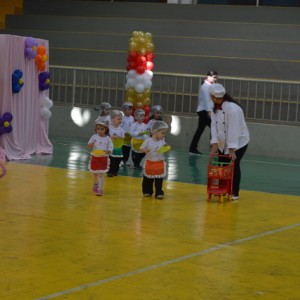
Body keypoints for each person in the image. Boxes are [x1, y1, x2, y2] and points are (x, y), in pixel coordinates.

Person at [209, 83, 250, 200]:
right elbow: (213, 127)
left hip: (239, 141)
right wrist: (214, 144)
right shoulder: (215, 109)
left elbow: (234, 130)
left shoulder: (233, 109)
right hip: (223, 142)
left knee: (234, 164)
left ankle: (234, 192)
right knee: (222, 165)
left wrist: (232, 149)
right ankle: (222, 189)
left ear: (215, 97)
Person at [189, 70, 218, 155]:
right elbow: (206, 100)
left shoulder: (208, 85)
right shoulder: (206, 86)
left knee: (202, 130)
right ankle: (214, 148)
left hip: (204, 111)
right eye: (214, 77)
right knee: (214, 129)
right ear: (208, 77)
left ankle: (193, 148)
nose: (215, 79)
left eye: (216, 77)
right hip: (204, 111)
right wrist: (209, 111)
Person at [140, 120, 169, 199]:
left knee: (159, 180)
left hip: (159, 163)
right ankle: (147, 191)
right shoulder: (148, 141)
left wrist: (166, 148)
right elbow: (141, 148)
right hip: (150, 162)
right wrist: (145, 150)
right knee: (148, 179)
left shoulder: (162, 142)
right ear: (156, 132)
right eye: (162, 133)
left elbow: (165, 148)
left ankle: (159, 192)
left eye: (164, 133)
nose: (164, 135)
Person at [87, 119, 113, 196]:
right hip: (95, 158)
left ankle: (100, 189)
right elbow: (89, 145)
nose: (100, 131)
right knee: (95, 174)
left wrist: (108, 151)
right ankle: (95, 184)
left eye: (102, 129)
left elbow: (111, 147)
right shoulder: (94, 137)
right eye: (98, 129)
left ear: (106, 129)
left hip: (103, 158)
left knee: (101, 174)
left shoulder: (108, 139)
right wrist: (91, 144)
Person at [107, 110, 125, 177]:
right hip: (111, 147)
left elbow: (123, 138)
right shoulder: (109, 128)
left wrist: (119, 137)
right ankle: (110, 171)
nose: (120, 120)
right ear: (112, 119)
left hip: (118, 147)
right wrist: (111, 137)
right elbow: (107, 137)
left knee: (118, 160)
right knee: (111, 160)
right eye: (118, 119)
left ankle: (115, 171)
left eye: (121, 119)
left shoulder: (121, 129)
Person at [120, 102, 134, 167]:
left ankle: (126, 160)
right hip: (123, 136)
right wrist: (124, 133)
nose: (131, 111)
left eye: (131, 109)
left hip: (129, 137)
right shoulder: (122, 118)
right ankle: (122, 160)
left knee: (128, 149)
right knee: (123, 148)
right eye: (129, 109)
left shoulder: (132, 118)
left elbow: (132, 126)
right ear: (124, 110)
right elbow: (120, 127)